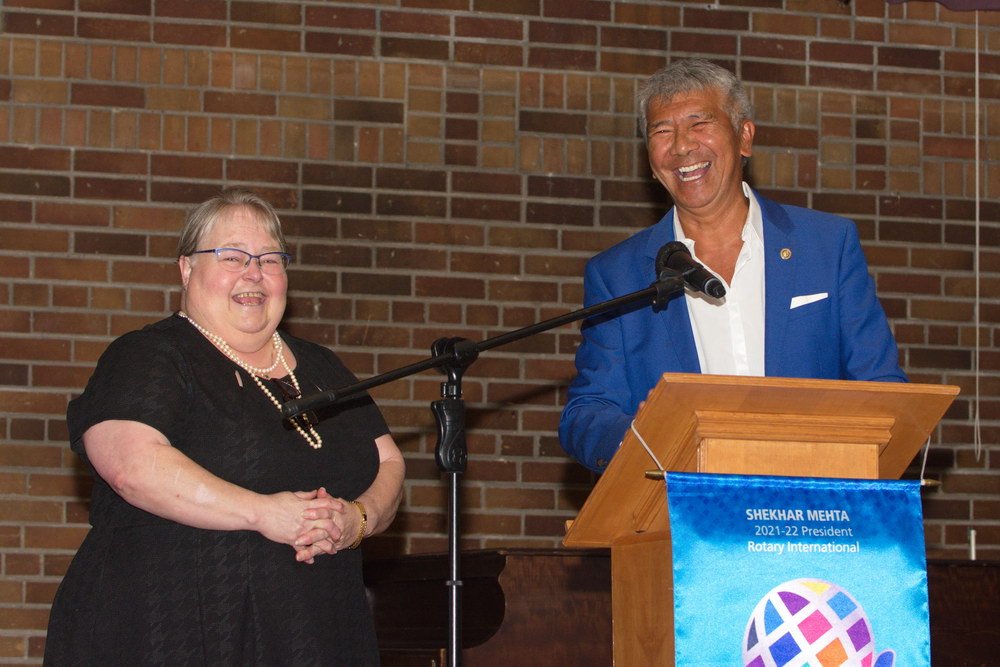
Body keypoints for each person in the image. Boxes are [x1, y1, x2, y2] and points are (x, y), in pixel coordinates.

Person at [45, 189, 405, 665]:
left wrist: (356, 520)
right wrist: (262, 513)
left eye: (269, 259)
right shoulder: (149, 355)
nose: (253, 273)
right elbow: (131, 466)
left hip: (317, 631)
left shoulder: (323, 366)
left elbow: (388, 462)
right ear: (186, 268)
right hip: (170, 627)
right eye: (232, 257)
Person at [559, 59, 906, 473]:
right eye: (662, 132)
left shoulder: (826, 247)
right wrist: (641, 436)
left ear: (744, 137)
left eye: (699, 123)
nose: (682, 146)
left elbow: (881, 387)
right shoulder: (617, 275)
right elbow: (588, 412)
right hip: (684, 506)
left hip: (812, 499)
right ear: (650, 161)